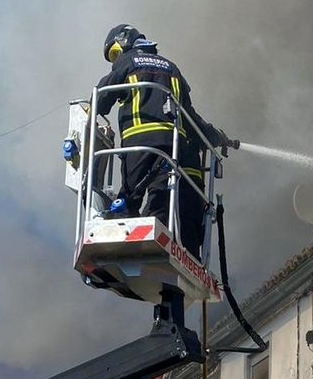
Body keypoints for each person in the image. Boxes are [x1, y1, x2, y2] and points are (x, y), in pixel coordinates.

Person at [95, 24, 231, 259]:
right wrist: (215, 136)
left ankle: (124, 236)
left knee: (130, 195)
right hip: (172, 146)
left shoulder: (128, 61)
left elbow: (104, 94)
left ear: (123, 41)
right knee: (161, 195)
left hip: (140, 141)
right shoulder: (173, 68)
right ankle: (166, 246)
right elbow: (191, 117)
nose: (115, 59)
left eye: (114, 53)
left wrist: (91, 108)